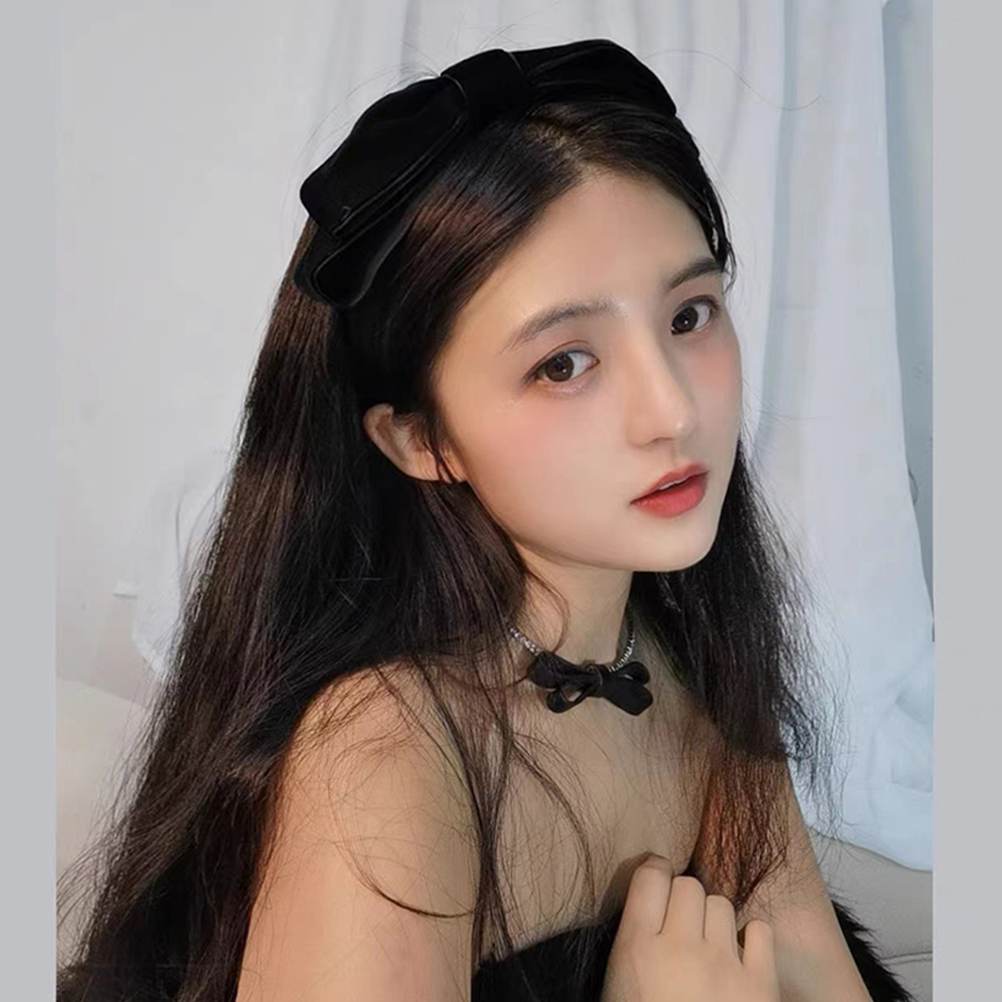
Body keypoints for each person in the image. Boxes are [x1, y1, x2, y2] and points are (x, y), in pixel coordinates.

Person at [57, 39, 914, 1002]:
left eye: (688, 316)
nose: (673, 411)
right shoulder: (388, 752)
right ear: (422, 439)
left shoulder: (694, 661)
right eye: (563, 364)